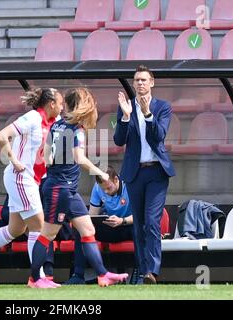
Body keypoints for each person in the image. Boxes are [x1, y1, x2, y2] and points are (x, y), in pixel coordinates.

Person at [28, 87, 129, 288]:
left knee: (87, 228)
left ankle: (102, 274)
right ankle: (34, 279)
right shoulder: (76, 129)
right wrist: (100, 173)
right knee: (48, 233)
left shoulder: (57, 125)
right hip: (61, 188)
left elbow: (45, 157)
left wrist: (57, 165)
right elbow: (80, 158)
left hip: (64, 188)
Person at [0, 88, 64, 287]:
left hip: (31, 179)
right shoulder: (33, 118)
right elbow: (1, 136)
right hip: (20, 176)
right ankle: (37, 277)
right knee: (38, 225)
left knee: (15, 229)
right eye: (61, 103)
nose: (62, 107)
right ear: (51, 104)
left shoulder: (54, 121)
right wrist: (14, 160)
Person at [114, 65, 175, 284]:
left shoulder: (162, 107)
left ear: (152, 82)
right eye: (137, 80)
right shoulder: (125, 107)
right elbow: (119, 140)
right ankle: (143, 271)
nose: (140, 83)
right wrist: (125, 117)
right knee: (138, 223)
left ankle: (153, 270)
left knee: (151, 221)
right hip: (135, 173)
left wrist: (147, 114)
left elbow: (159, 135)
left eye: (144, 80)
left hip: (157, 171)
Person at [64, 165, 136, 285]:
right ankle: (78, 275)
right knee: (81, 228)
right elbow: (92, 215)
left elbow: (139, 217)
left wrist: (122, 220)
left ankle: (140, 274)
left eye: (108, 188)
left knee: (138, 229)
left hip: (127, 225)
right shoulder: (98, 188)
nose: (106, 192)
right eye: (104, 190)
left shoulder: (130, 187)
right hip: (110, 227)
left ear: (116, 180)